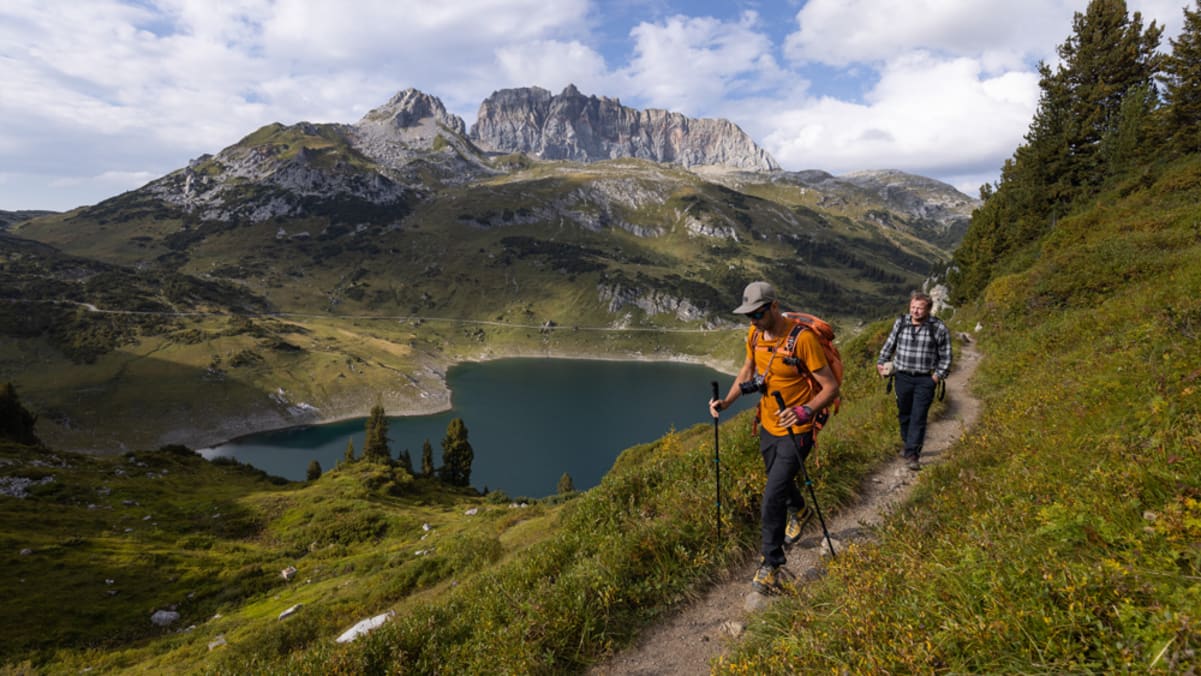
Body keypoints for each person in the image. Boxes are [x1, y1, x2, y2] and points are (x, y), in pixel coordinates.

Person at [709, 281, 840, 594]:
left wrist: (805, 411)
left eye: (758, 313)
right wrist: (726, 402)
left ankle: (771, 564)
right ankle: (801, 510)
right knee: (778, 481)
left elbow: (830, 387)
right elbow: (747, 370)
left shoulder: (802, 340)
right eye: (748, 315)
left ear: (774, 306)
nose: (753, 320)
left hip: (798, 430)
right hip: (768, 424)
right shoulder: (755, 335)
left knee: (771, 495)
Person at [876, 291, 953, 472]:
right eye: (913, 307)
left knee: (918, 416)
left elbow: (947, 356)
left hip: (925, 379)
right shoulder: (901, 323)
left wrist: (936, 376)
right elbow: (889, 344)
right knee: (904, 413)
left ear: (928, 309)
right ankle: (908, 442)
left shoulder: (938, 328)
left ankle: (913, 454)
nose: (915, 311)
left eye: (919, 308)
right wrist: (881, 362)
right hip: (902, 376)